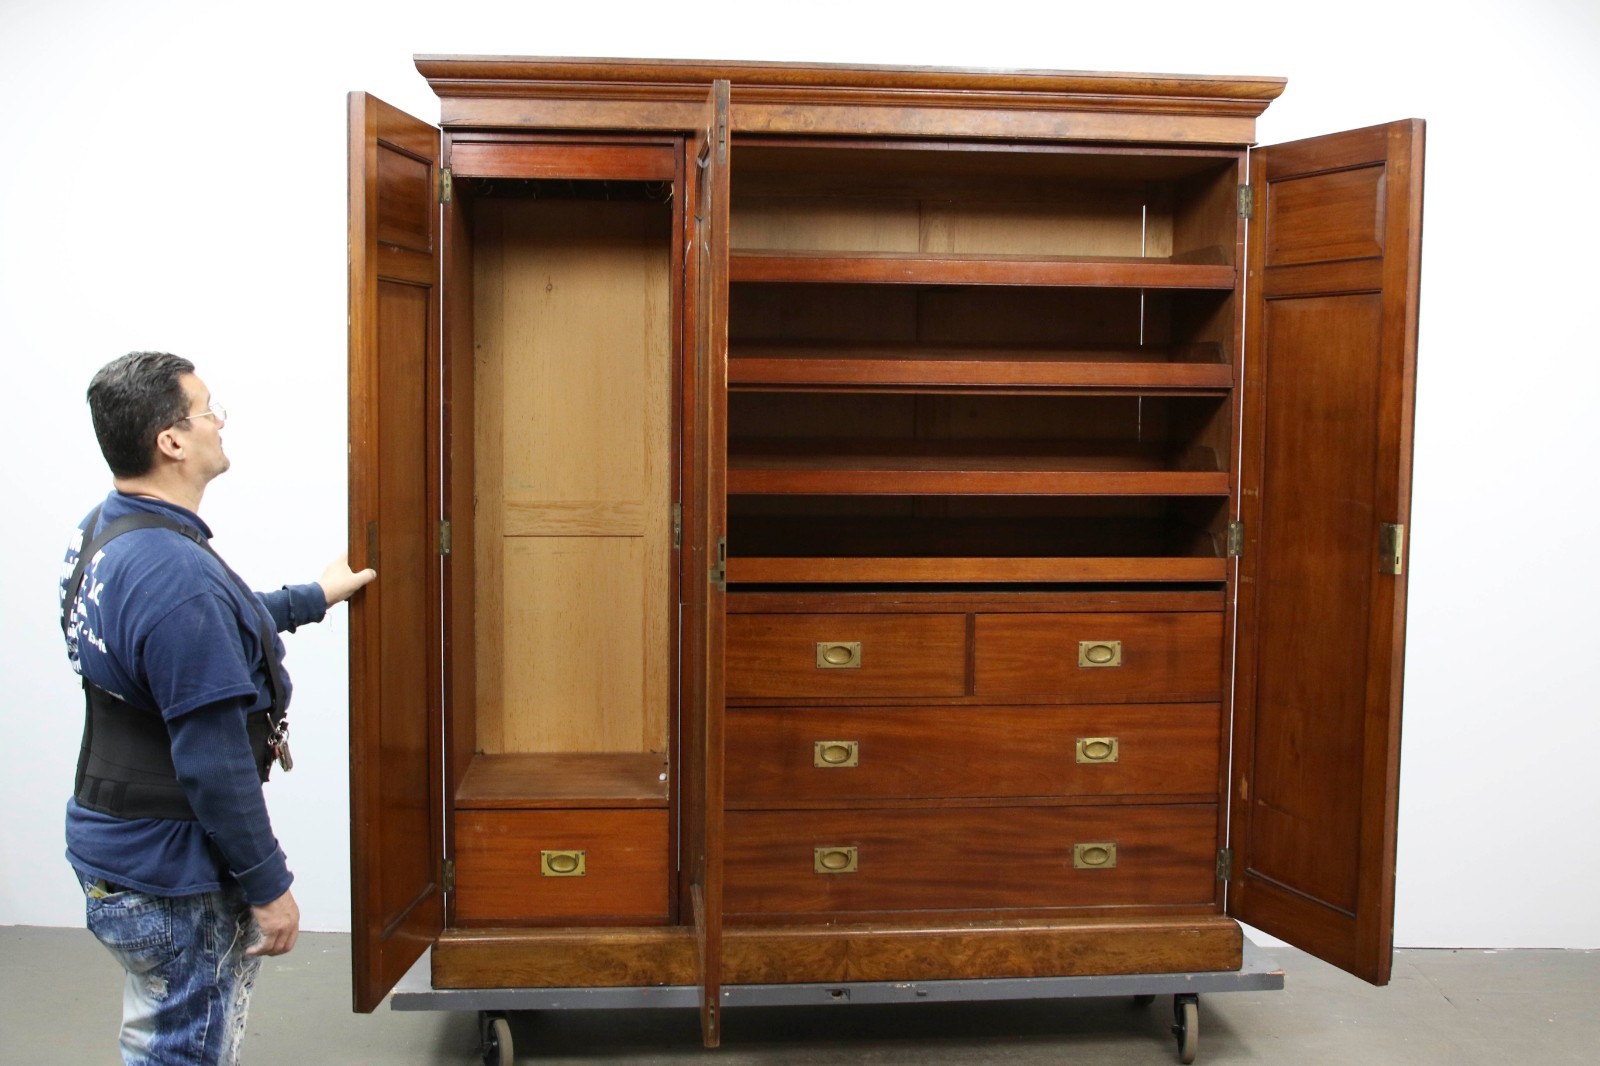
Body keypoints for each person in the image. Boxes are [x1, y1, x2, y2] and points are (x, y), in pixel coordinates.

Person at [59, 351, 375, 1065]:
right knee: (184, 1050)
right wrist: (270, 887)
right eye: (207, 410)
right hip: (172, 873)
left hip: (115, 846)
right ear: (171, 440)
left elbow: (198, 632)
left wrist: (313, 598)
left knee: (157, 1034)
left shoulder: (108, 534)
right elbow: (214, 759)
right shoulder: (175, 578)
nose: (219, 423)